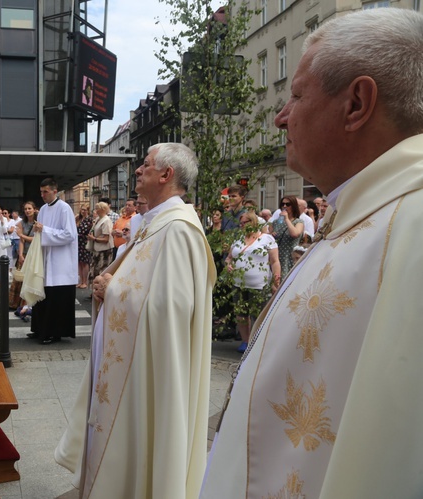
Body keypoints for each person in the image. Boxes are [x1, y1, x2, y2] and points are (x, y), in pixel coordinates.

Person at [201, 9, 423, 497]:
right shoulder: (363, 213)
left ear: (357, 104)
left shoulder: (411, 224)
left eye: (297, 96)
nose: (281, 116)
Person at [55, 143, 215, 498]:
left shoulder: (179, 229)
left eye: (145, 165)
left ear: (166, 174)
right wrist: (106, 287)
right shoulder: (154, 225)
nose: (138, 171)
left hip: (148, 371)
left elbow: (170, 307)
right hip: (130, 362)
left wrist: (113, 290)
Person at [29, 178, 78, 344]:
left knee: (57, 298)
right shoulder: (42, 209)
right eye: (41, 192)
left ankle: (54, 332)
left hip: (61, 262)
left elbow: (69, 235)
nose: (42, 195)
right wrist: (38, 230)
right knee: (44, 296)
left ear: (55, 191)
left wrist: (45, 230)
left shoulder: (65, 209)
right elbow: (41, 232)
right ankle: (40, 329)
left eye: (46, 192)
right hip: (46, 258)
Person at [225, 210, 280, 353]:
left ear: (253, 222)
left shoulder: (266, 239)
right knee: (241, 313)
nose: (242, 225)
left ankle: (259, 342)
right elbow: (229, 257)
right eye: (241, 223)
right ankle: (245, 341)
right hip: (239, 283)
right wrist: (228, 264)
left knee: (259, 313)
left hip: (259, 284)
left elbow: (274, 261)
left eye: (245, 222)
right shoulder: (238, 239)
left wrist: (276, 279)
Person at [9, 201, 37, 309]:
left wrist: (22, 236)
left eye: (29, 208)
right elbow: (21, 240)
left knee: (31, 279)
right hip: (25, 253)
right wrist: (20, 255)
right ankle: (16, 303)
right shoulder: (21, 223)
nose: (27, 211)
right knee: (19, 279)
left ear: (34, 209)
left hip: (34, 254)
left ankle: (28, 303)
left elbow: (36, 239)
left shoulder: (38, 222)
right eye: (25, 209)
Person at [269, 195, 304, 273]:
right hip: (277, 256)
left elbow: (295, 234)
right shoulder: (275, 222)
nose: (284, 206)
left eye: (288, 204)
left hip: (290, 257)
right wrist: (271, 235)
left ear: (293, 206)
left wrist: (287, 219)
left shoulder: (298, 222)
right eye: (283, 204)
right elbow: (268, 238)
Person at [87, 202, 113, 279]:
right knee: (94, 272)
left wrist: (94, 238)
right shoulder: (98, 219)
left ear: (102, 209)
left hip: (104, 251)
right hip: (96, 250)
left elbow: (106, 239)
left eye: (97, 208)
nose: (95, 210)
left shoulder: (106, 221)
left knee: (101, 272)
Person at [76, 205, 93, 289]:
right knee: (79, 262)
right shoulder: (79, 219)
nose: (83, 211)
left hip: (84, 242)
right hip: (78, 243)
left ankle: (85, 282)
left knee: (85, 262)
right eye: (82, 210)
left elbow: (84, 231)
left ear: (88, 211)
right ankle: (81, 281)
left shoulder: (89, 220)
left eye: (85, 210)